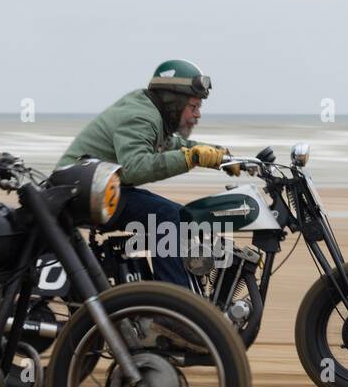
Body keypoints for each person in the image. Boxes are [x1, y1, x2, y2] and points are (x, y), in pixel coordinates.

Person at [55, 59, 236, 286]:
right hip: (79, 193)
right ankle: (174, 307)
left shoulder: (153, 114)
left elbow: (172, 145)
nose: (198, 114)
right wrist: (192, 158)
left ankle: (180, 290)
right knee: (166, 217)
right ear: (174, 103)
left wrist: (220, 156)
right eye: (193, 107)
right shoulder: (141, 115)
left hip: (100, 188)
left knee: (183, 216)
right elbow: (134, 168)